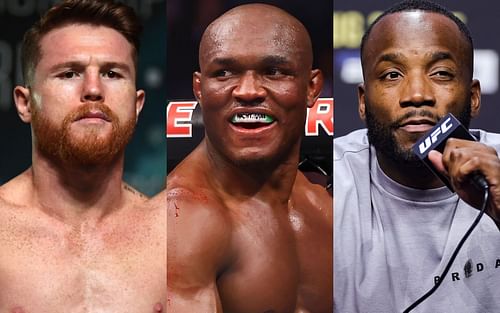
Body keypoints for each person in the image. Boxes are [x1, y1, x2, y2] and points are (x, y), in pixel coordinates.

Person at [334, 0, 500, 312]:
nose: (416, 94)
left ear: (474, 97)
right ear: (362, 102)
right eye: (392, 75)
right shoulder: (331, 181)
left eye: (440, 73)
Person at [0, 0, 166, 311]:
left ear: (137, 104)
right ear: (25, 103)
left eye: (113, 74)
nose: (93, 89)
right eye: (69, 74)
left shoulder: (170, 235)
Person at [166, 3, 333, 312]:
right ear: (199, 89)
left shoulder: (322, 206)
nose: (247, 91)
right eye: (224, 72)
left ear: (312, 87)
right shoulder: (182, 221)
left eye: (273, 71)